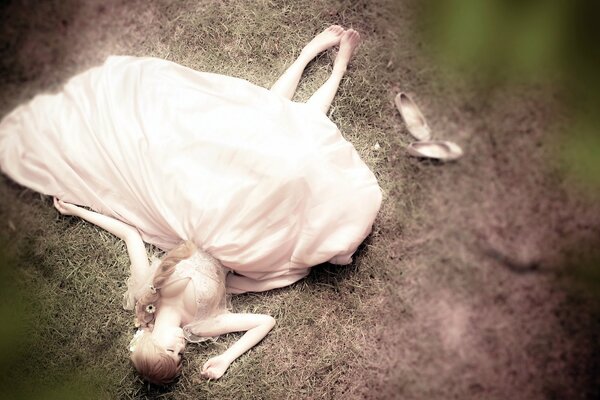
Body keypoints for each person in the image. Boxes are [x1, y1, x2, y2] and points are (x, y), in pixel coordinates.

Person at [1, 26, 382, 384]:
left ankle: (306, 56)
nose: (181, 349)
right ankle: (337, 70)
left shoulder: (147, 292)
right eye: (181, 358)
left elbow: (131, 235)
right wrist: (227, 357)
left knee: (252, 133)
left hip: (204, 216)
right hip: (244, 243)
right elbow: (262, 321)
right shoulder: (201, 325)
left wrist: (80, 210)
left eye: (171, 350)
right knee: (291, 167)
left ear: (147, 340)